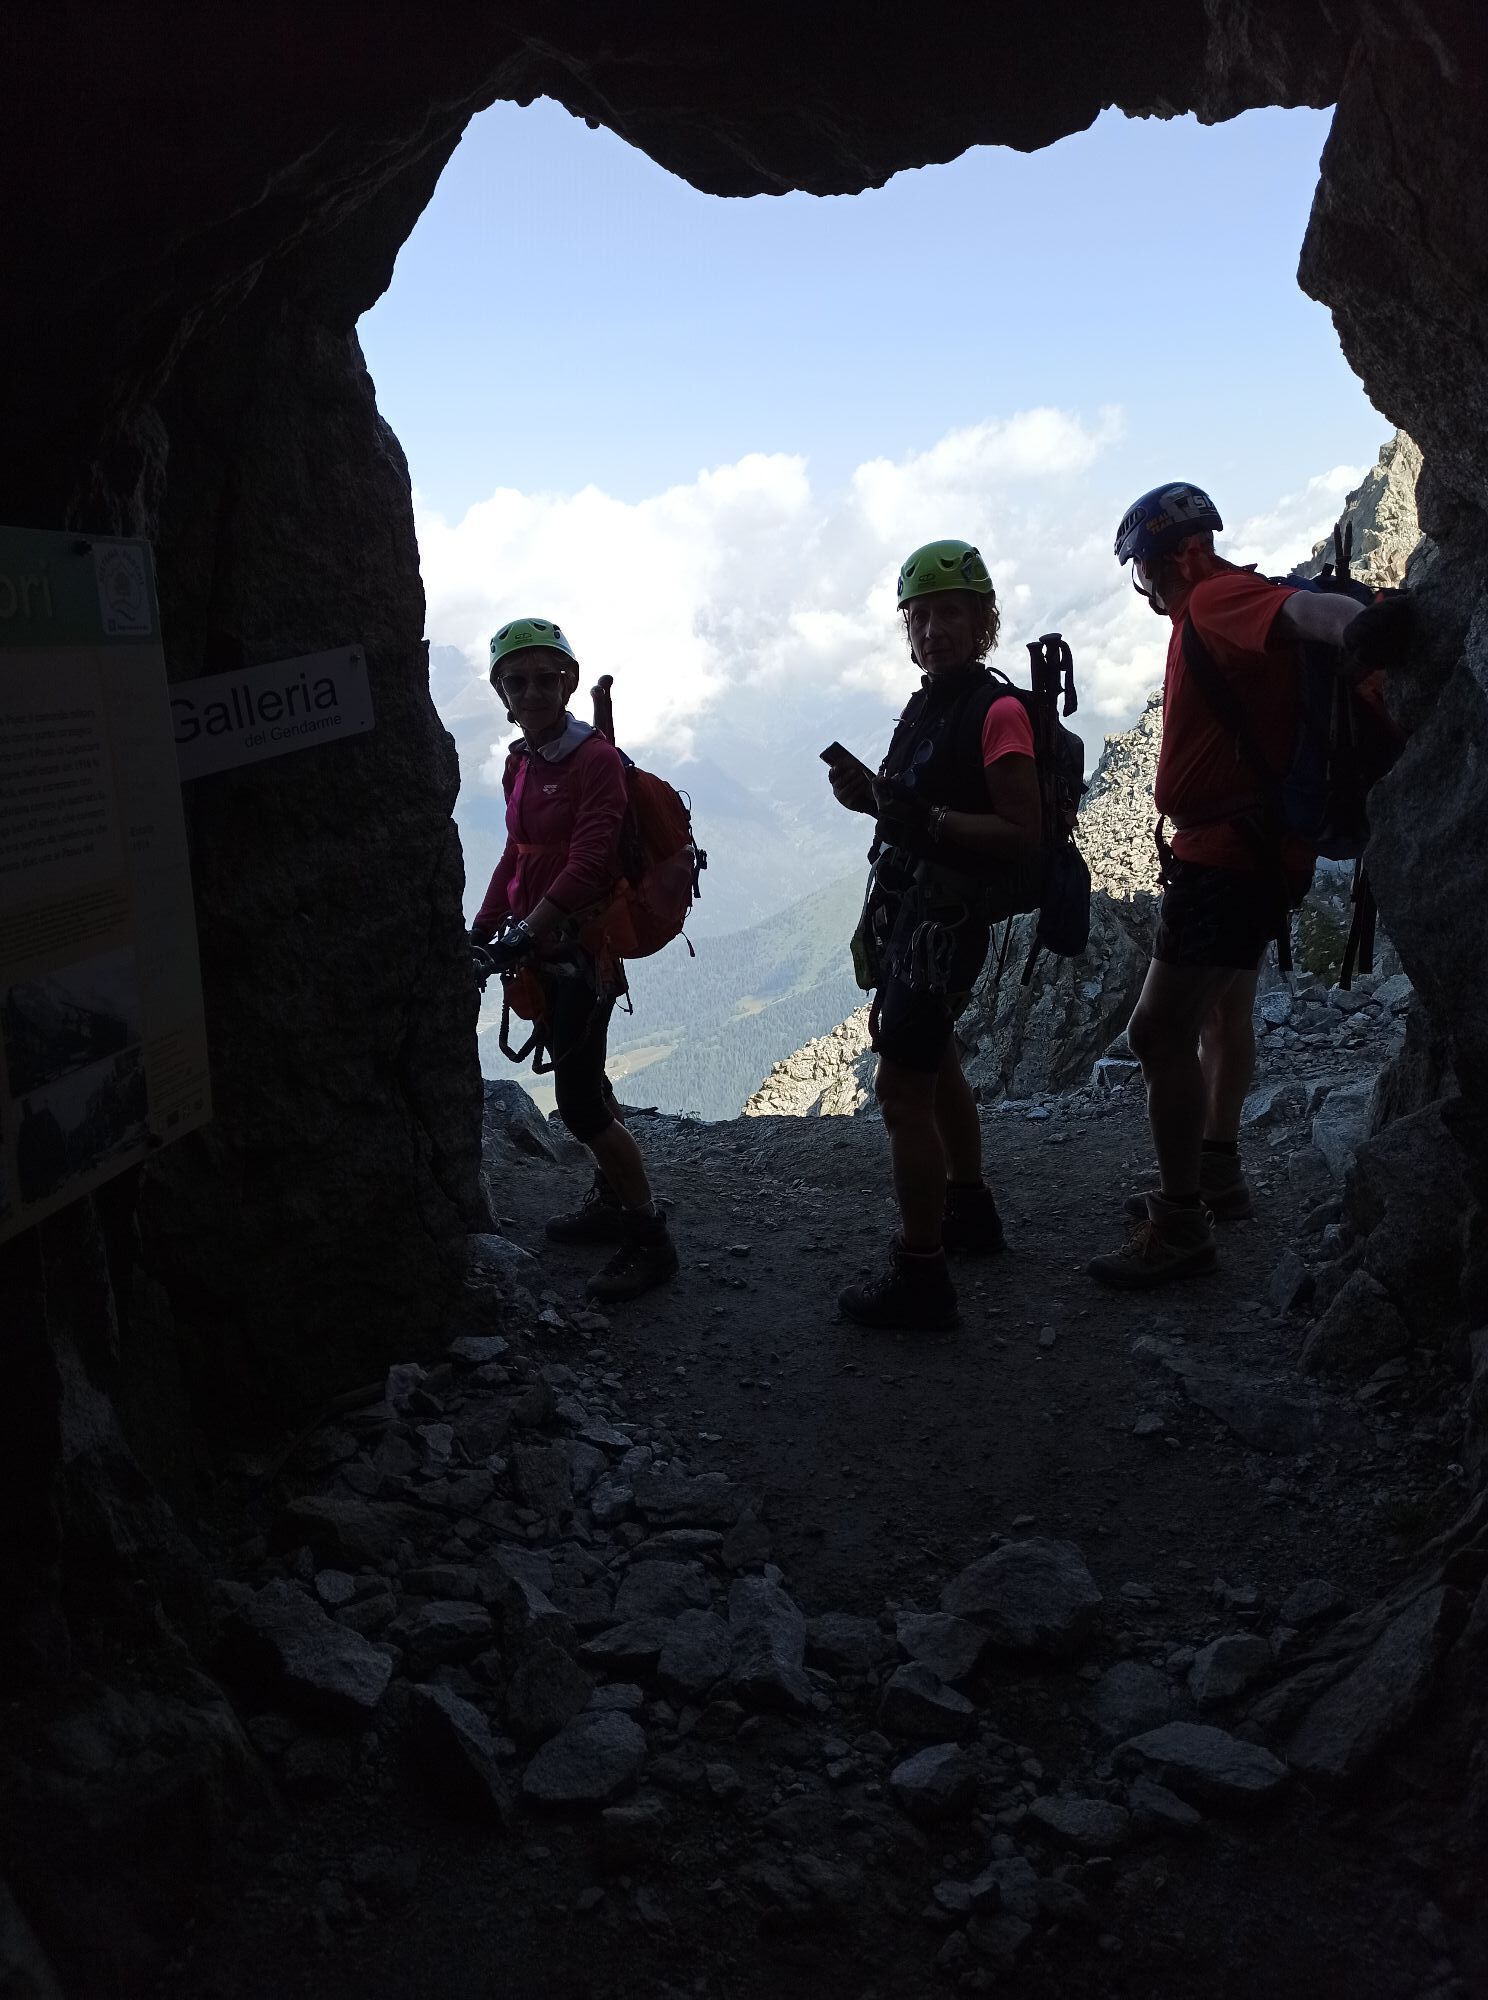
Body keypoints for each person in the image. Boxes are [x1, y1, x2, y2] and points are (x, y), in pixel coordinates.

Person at [1089, 481, 1396, 1288]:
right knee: (1224, 1014)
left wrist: (1360, 628)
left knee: (1158, 1036)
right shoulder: (1217, 600)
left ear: (1168, 560)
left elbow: (1305, 614)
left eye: (1143, 570)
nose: (1146, 587)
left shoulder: (1215, 597)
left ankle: (1180, 1223)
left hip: (1226, 861)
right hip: (1257, 853)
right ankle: (1216, 1173)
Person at [827, 539, 1044, 1331]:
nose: (932, 630)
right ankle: (969, 1211)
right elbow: (913, 813)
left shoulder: (997, 713)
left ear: (984, 621)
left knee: (899, 1091)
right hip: (916, 913)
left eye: (950, 613)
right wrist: (872, 801)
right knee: (937, 1057)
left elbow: (1022, 832)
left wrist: (928, 819)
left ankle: (921, 1275)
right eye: (918, 618)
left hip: (945, 924)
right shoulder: (931, 705)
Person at [471, 617, 678, 1303]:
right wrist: (485, 927)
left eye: (544, 680)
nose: (531, 693)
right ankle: (613, 1200)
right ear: (502, 693)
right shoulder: (522, 762)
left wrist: (523, 931)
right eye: (516, 682)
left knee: (580, 1103)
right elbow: (517, 853)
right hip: (546, 948)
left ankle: (650, 1237)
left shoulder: (594, 762)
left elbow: (590, 863)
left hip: (583, 950)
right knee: (584, 1076)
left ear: (569, 683)